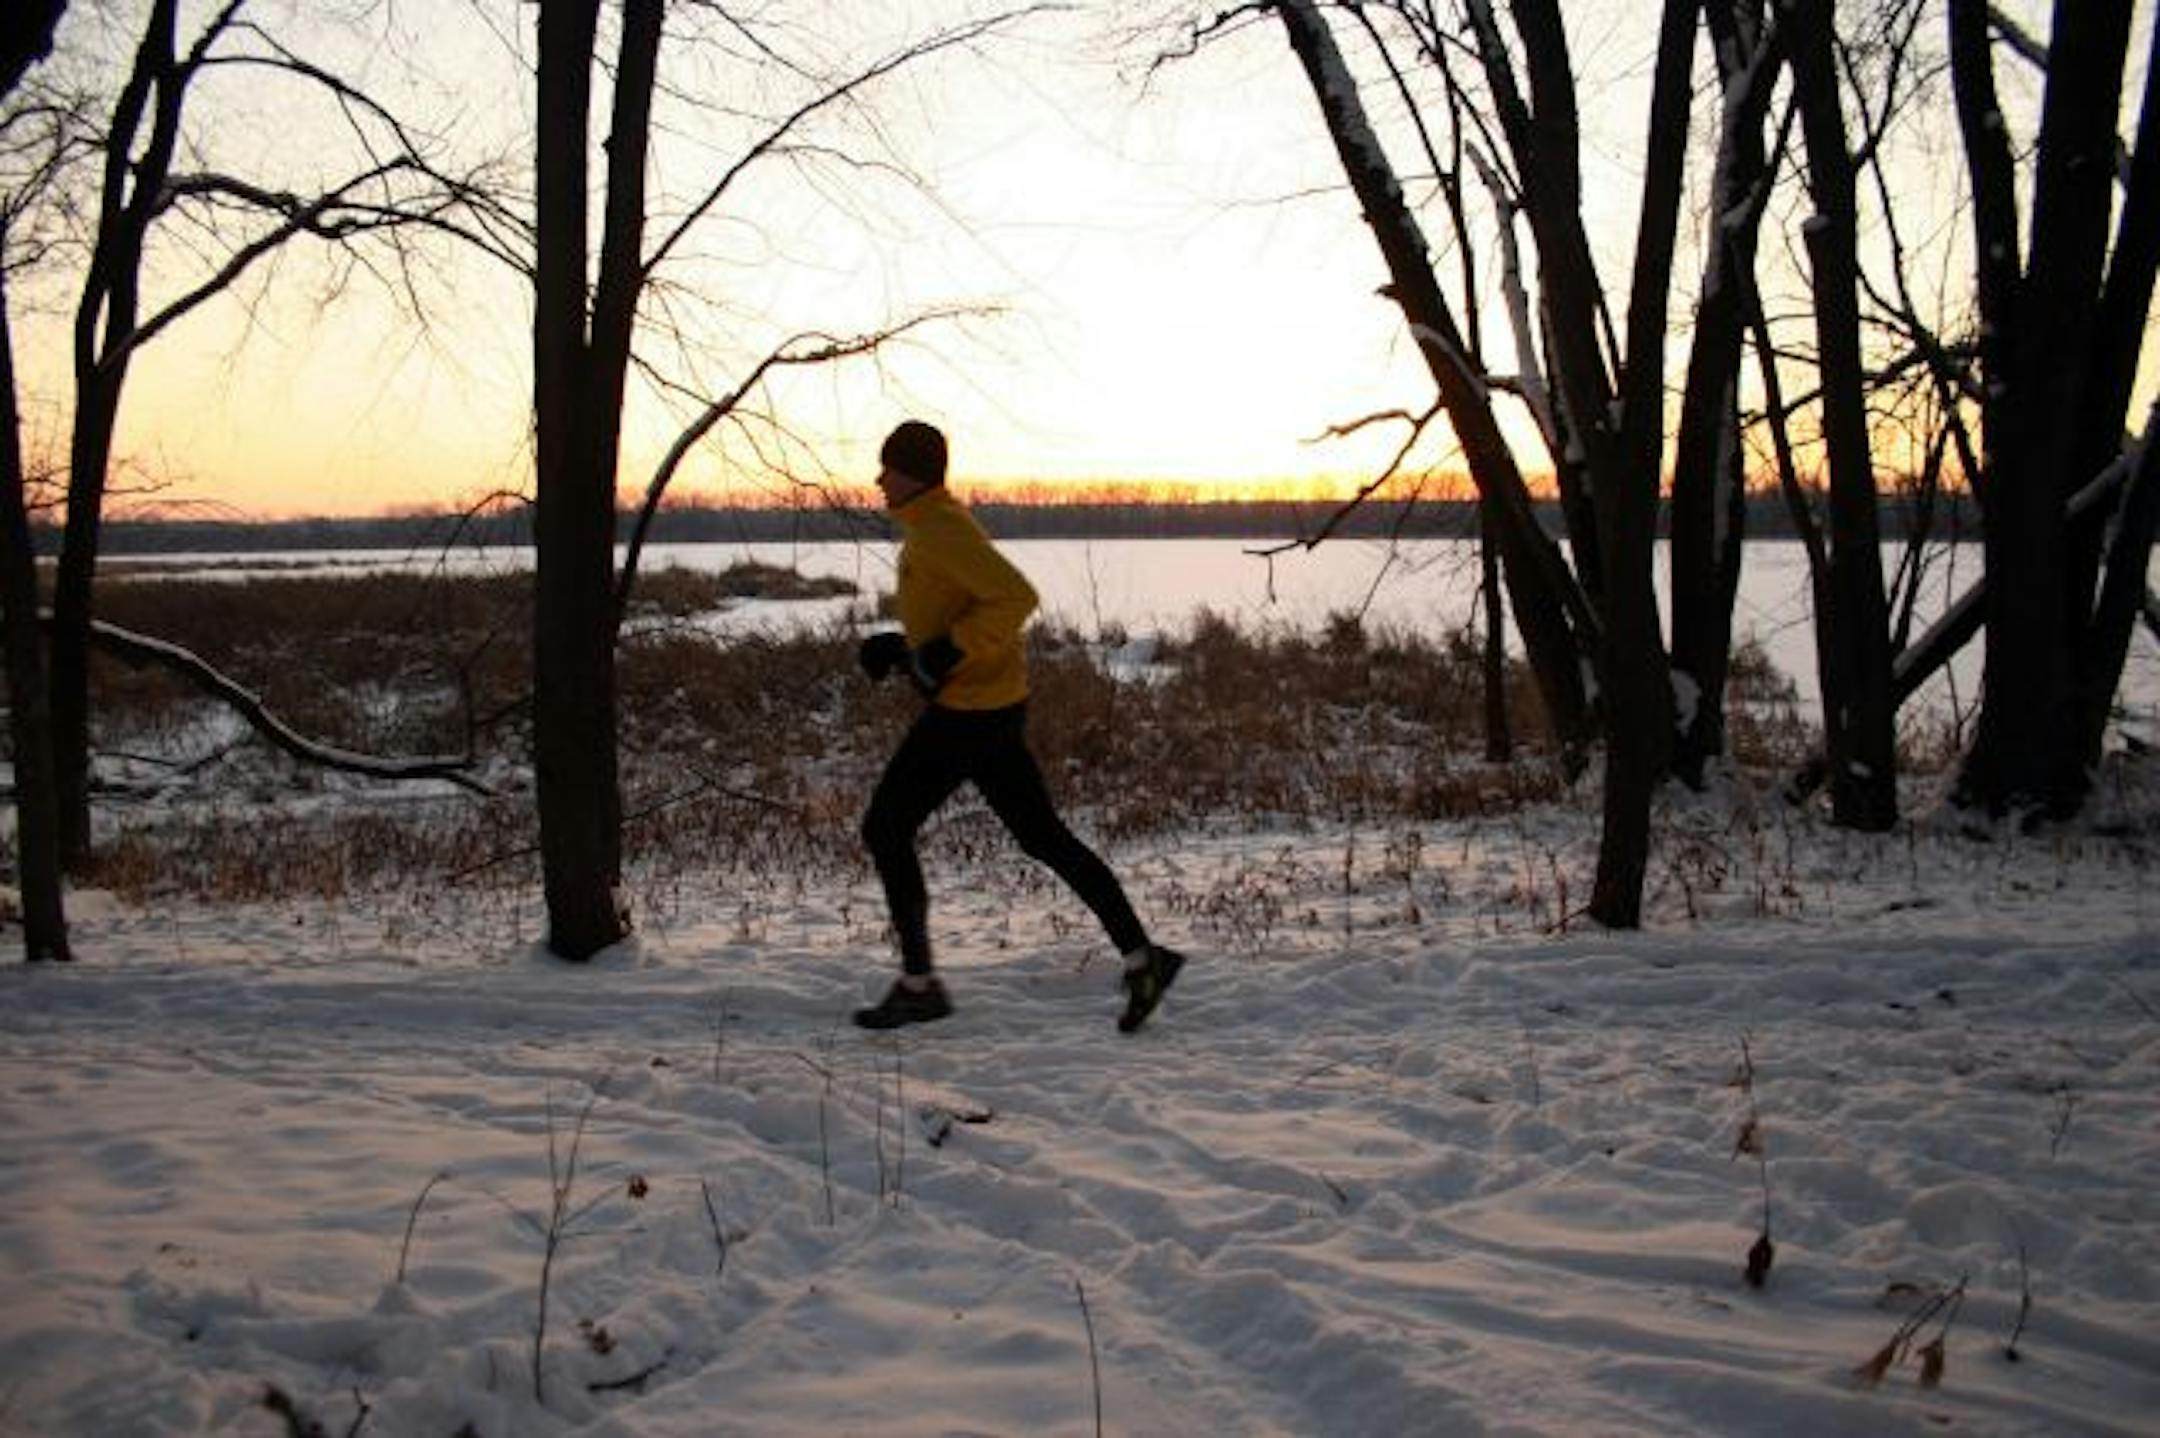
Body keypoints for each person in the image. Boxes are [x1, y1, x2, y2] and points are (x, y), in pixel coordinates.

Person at [852, 419, 1185, 1032]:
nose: (879, 479)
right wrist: (906, 650)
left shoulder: (941, 529)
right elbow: (961, 614)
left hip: (968, 716)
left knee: (885, 827)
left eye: (888, 467)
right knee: (1044, 838)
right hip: (990, 709)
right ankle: (1144, 959)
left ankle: (919, 985)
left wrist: (942, 654)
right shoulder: (931, 526)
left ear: (914, 473)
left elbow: (1015, 596)